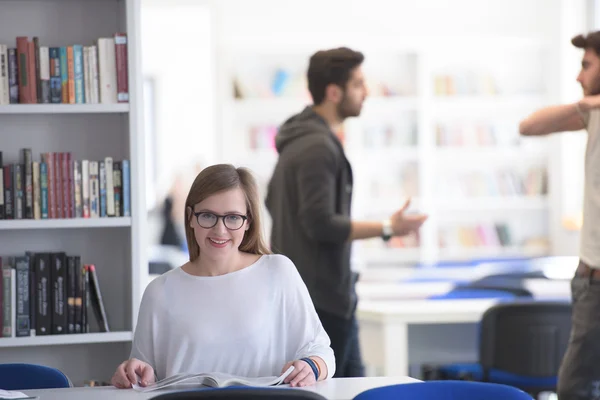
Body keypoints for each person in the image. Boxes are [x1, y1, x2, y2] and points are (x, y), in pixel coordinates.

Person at [265, 47, 428, 378]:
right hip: (321, 299)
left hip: (317, 294)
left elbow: (270, 200)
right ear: (333, 92)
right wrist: (388, 227)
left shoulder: (302, 139)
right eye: (358, 84)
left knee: (353, 386)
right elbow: (320, 223)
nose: (366, 92)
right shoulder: (317, 147)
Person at [111, 164, 335, 389]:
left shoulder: (278, 272)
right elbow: (142, 377)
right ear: (190, 217)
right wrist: (132, 374)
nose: (220, 230)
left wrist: (312, 367)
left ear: (248, 221)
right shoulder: (159, 291)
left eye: (233, 218)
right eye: (208, 216)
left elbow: (321, 352)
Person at [519, 31, 600, 400]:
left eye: (586, 66)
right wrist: (588, 105)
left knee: (575, 387)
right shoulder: (592, 114)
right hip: (590, 281)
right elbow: (530, 126)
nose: (579, 76)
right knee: (574, 387)